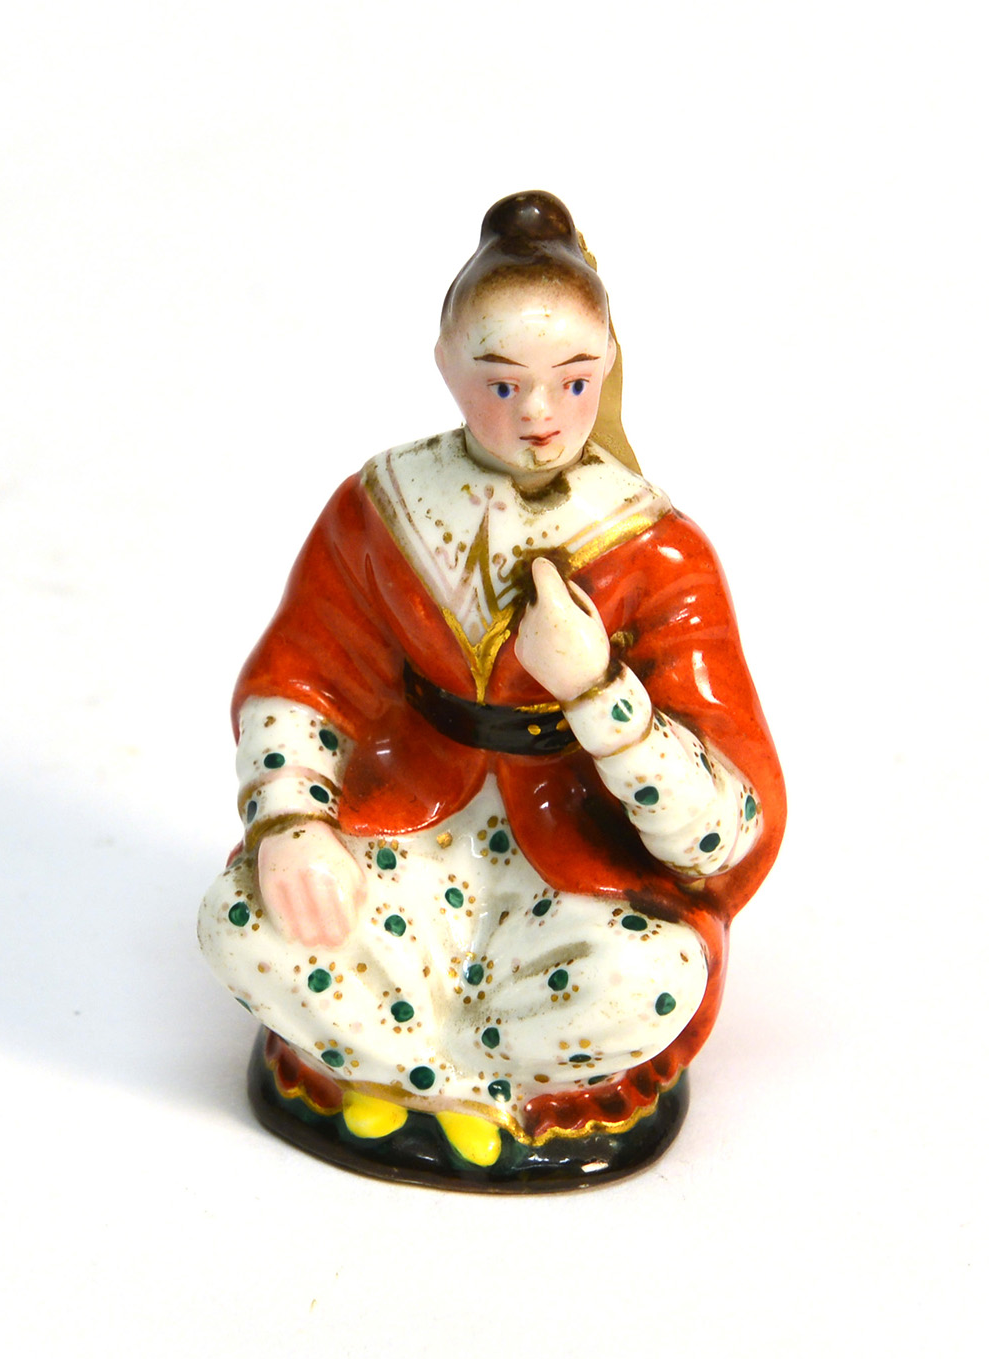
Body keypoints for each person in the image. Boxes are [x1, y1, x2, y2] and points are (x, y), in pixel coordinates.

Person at [199, 191, 785, 1188]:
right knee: (241, 920)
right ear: (446, 366)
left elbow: (724, 827)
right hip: (409, 832)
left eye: (572, 381)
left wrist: (598, 690)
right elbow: (305, 674)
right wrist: (293, 818)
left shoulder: (658, 549)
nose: (540, 417)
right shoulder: (384, 504)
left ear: (609, 365)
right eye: (502, 384)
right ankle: (458, 1083)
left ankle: (407, 1074)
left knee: (650, 978)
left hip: (574, 865)